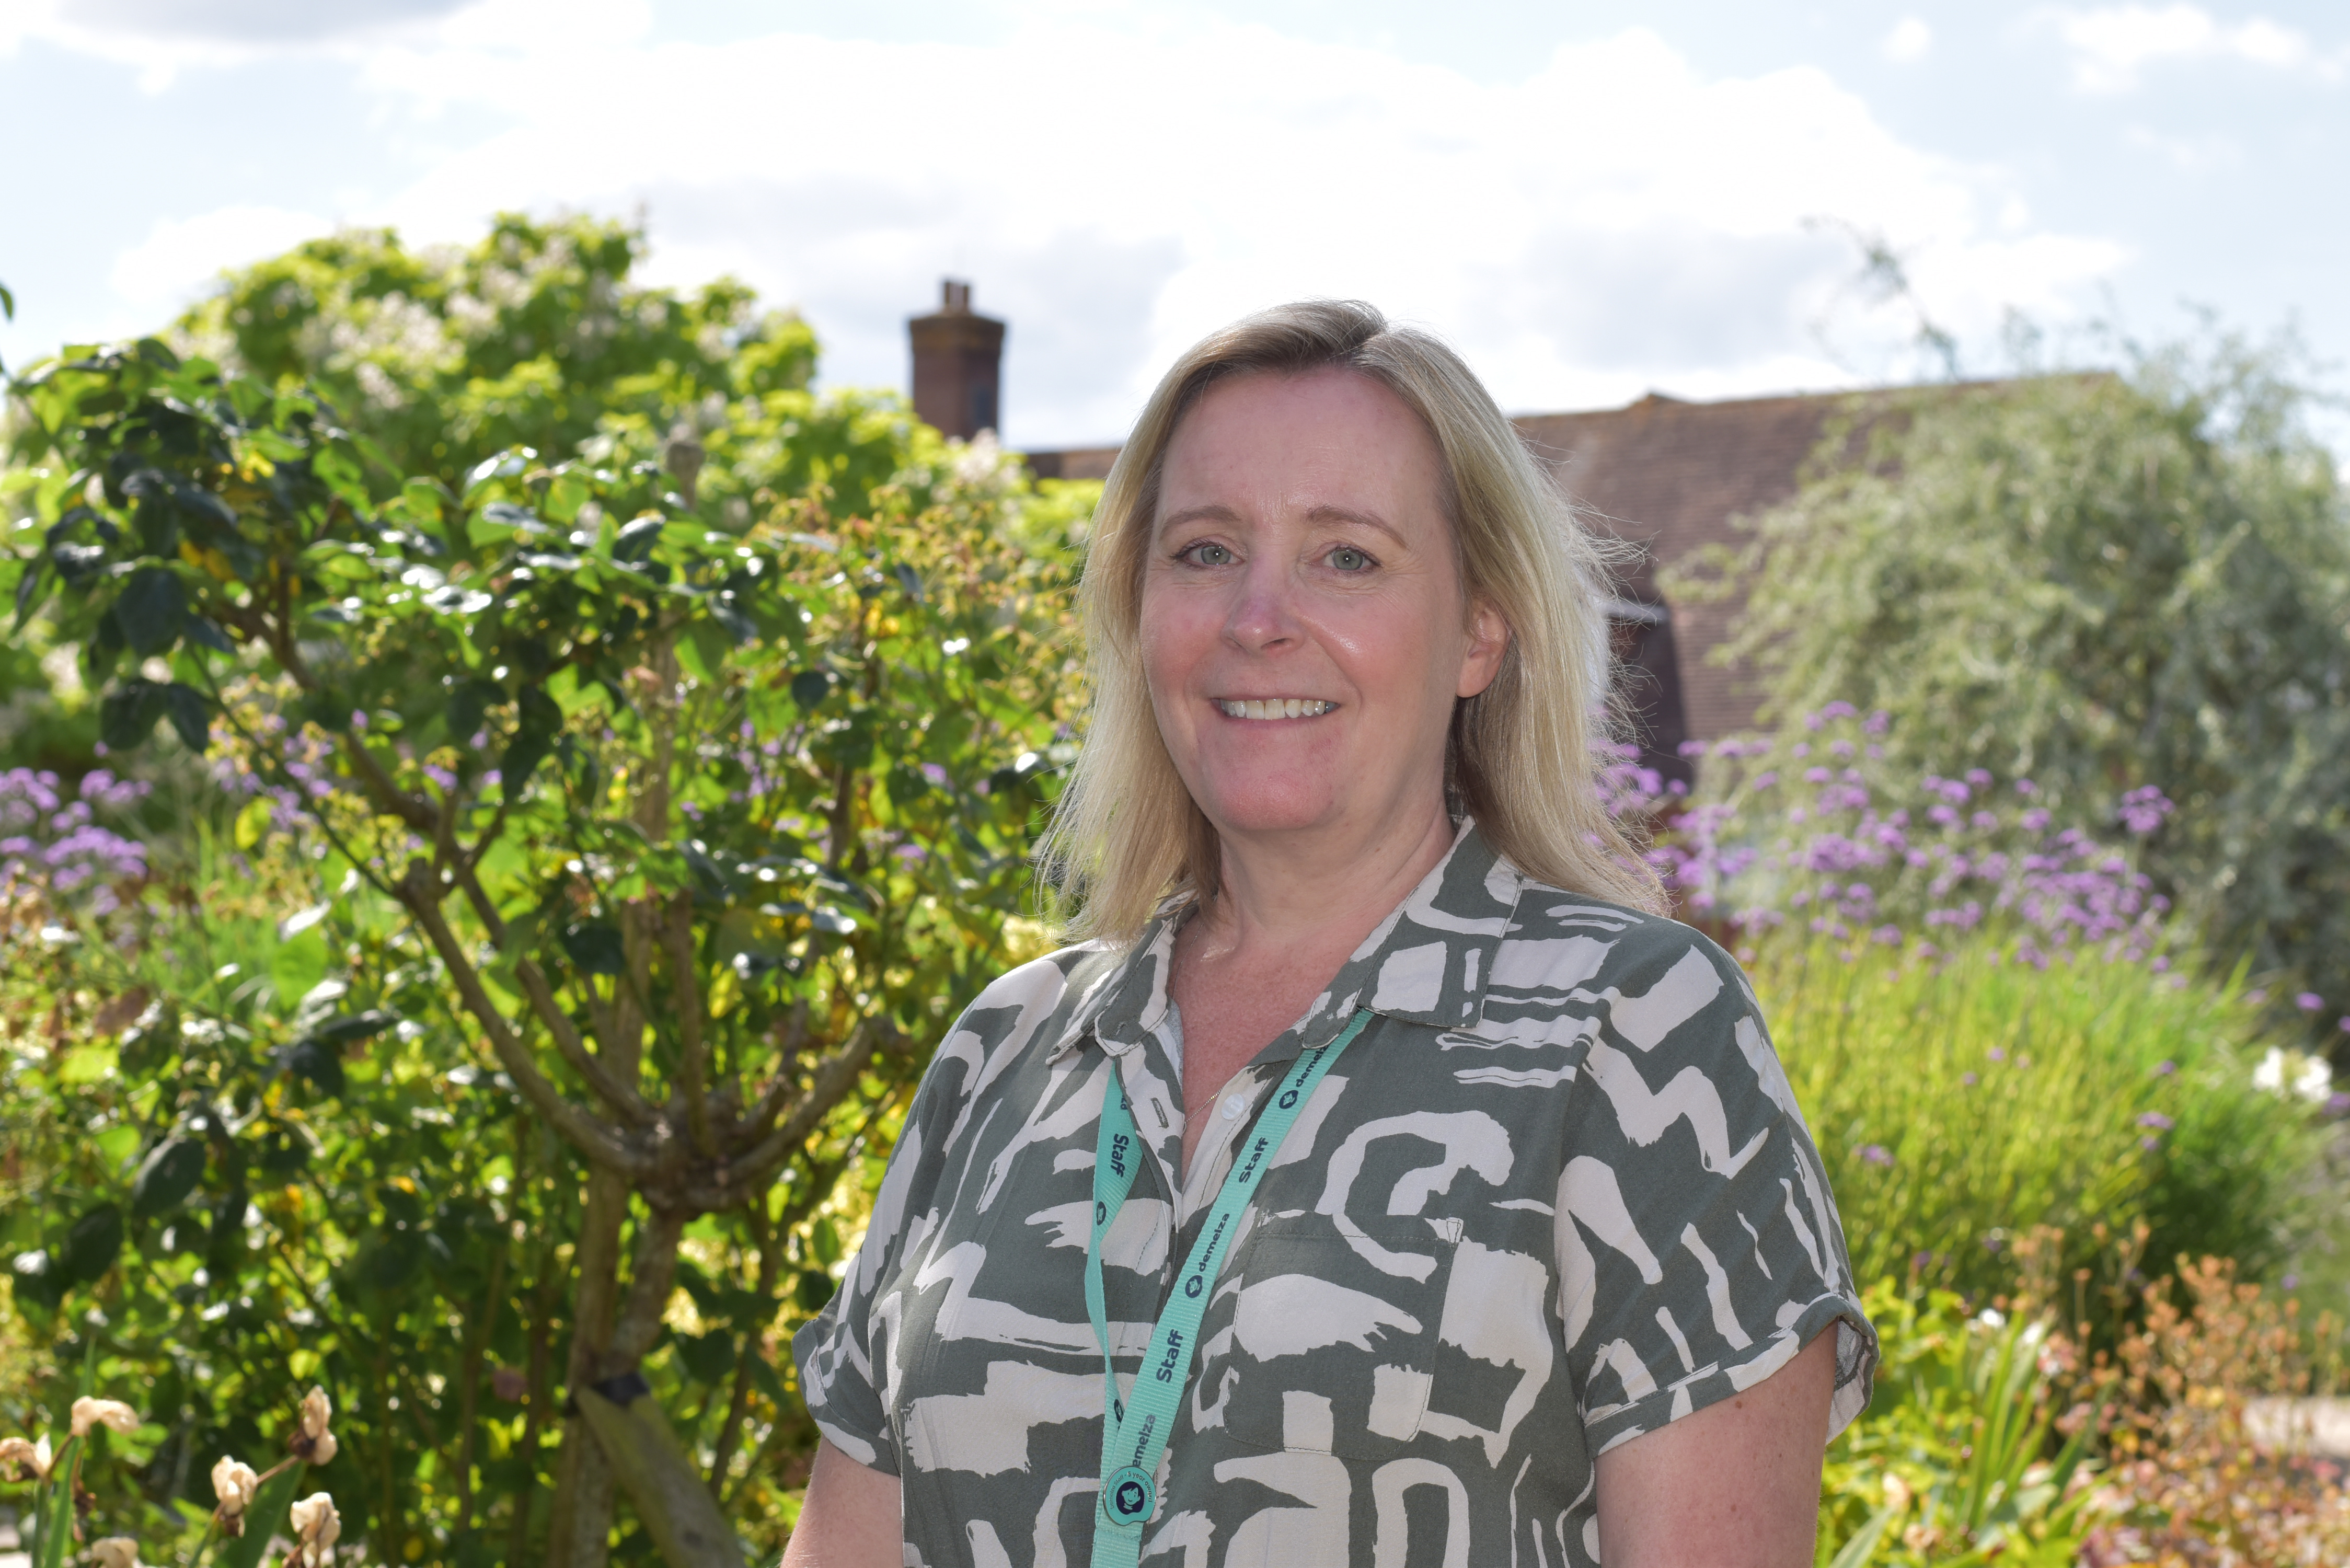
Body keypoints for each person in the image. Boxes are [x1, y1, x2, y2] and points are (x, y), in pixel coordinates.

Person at [788, 301, 1875, 1568]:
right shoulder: (1008, 1050)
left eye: (1345, 557)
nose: (1259, 617)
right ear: (1137, 613)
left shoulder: (1633, 1036)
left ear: (1480, 629)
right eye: (1203, 552)